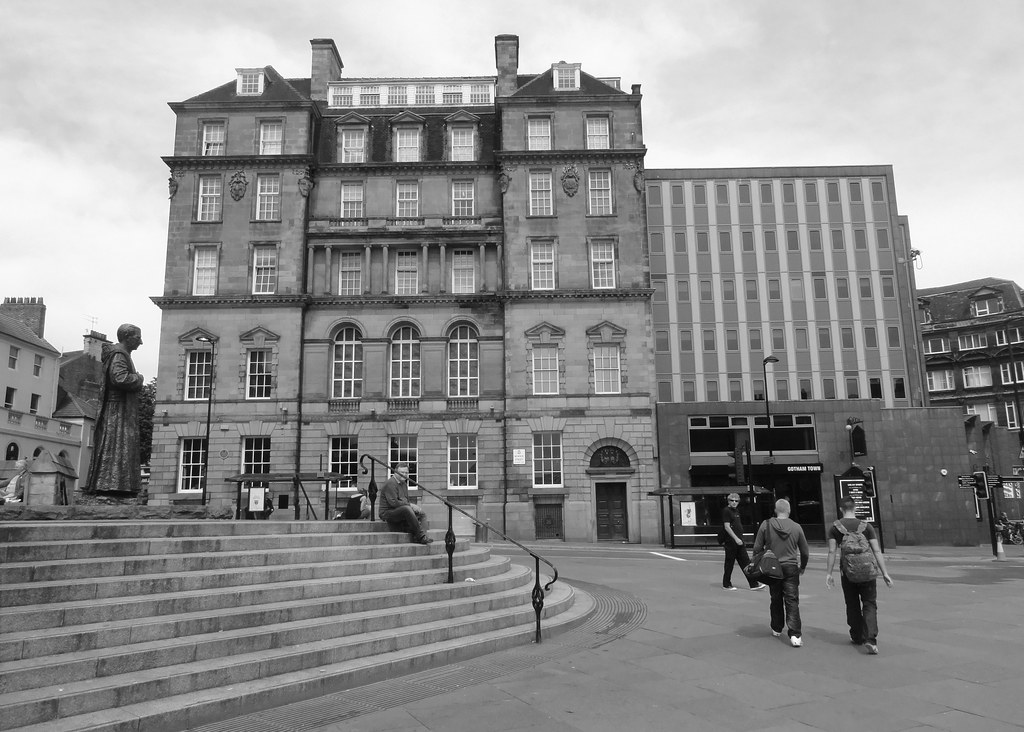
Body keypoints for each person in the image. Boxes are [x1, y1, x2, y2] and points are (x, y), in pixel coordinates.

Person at [825, 498, 893, 655]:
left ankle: (857, 635)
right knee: (869, 603)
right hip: (868, 572)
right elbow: (876, 550)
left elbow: (832, 551)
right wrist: (885, 573)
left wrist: (829, 573)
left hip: (847, 572)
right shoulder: (866, 526)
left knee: (852, 603)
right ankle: (871, 639)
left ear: (841, 509)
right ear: (854, 508)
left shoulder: (835, 528)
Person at [86, 324, 145, 494]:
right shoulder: (119, 354)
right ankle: (112, 486)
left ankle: (116, 485)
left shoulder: (121, 354)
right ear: (127, 337)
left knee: (118, 447)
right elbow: (119, 378)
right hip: (117, 410)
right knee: (117, 445)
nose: (140, 342)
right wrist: (139, 378)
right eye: (137, 337)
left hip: (119, 408)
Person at [752, 498, 809, 647]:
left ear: (775, 510)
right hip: (791, 566)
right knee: (792, 600)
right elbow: (805, 551)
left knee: (775, 597)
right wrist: (803, 566)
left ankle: (777, 628)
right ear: (789, 510)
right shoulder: (796, 527)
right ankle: (795, 635)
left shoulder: (766, 524)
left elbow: (757, 547)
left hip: (772, 567)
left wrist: (757, 562)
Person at [721, 492, 767, 591]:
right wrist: (736, 538)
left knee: (746, 562)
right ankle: (726, 583)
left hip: (739, 541)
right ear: (728, 501)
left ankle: (753, 584)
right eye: (732, 500)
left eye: (736, 501)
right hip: (731, 542)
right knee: (729, 563)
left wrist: (740, 539)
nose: (734, 502)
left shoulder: (736, 511)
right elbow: (727, 527)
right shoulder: (726, 511)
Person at [378, 463, 432, 544]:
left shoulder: (404, 484)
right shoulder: (390, 483)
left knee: (421, 514)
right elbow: (394, 503)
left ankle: (424, 536)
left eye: (406, 473)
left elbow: (406, 500)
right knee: (407, 509)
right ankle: (420, 536)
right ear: (395, 472)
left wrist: (411, 506)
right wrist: (410, 505)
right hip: (387, 513)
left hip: (400, 510)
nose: (404, 474)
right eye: (402, 472)